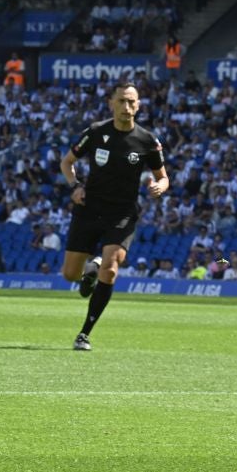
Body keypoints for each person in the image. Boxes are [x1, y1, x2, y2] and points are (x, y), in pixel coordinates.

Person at [58, 82, 169, 351]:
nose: (127, 107)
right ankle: (90, 268)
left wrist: (159, 187)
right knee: (70, 275)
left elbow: (163, 177)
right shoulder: (96, 132)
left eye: (132, 102)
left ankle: (84, 333)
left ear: (139, 106)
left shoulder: (147, 141)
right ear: (111, 103)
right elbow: (66, 163)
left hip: (122, 212)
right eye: (121, 101)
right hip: (89, 209)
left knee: (111, 267)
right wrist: (75, 186)